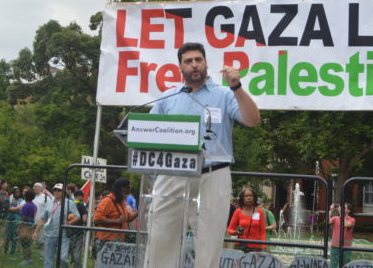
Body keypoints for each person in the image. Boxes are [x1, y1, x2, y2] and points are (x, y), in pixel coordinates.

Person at [144, 42, 260, 268]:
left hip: (213, 173)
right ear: (180, 66)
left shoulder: (225, 94)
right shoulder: (167, 97)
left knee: (209, 242)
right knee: (160, 235)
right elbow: (146, 132)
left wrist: (237, 87)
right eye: (188, 61)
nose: (194, 65)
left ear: (206, 63)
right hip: (174, 172)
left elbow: (253, 120)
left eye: (199, 60)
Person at [32, 183, 80, 268]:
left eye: (59, 190)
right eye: (55, 190)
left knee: (63, 258)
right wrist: (36, 232)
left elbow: (78, 216)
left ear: (63, 192)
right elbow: (43, 218)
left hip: (63, 234)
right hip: (49, 234)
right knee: (48, 259)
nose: (56, 192)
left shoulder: (69, 203)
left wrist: (69, 223)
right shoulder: (48, 203)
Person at [93, 178, 138, 258]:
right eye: (127, 187)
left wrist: (139, 211)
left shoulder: (121, 201)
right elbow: (97, 219)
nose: (129, 190)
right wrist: (116, 221)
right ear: (121, 188)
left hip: (118, 240)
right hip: (106, 241)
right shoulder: (107, 200)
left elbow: (127, 218)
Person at [227, 188, 266, 252]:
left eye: (250, 196)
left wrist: (264, 246)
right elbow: (229, 230)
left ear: (254, 197)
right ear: (242, 198)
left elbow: (262, 233)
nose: (248, 198)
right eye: (246, 196)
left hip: (255, 248)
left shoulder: (260, 212)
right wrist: (236, 232)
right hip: (240, 247)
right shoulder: (238, 211)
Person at [329, 203, 355, 268]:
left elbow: (346, 225)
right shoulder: (335, 218)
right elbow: (327, 222)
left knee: (345, 265)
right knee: (333, 265)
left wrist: (341, 214)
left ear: (348, 210)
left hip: (346, 247)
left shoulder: (352, 220)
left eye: (344, 208)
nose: (342, 209)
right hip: (335, 247)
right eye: (341, 207)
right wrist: (331, 211)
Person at [18, 189, 37, 266]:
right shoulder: (34, 205)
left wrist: (19, 227)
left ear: (26, 197)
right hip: (31, 226)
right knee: (28, 243)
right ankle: (28, 257)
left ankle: (27, 259)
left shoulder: (25, 206)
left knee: (25, 243)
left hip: (25, 226)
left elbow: (22, 217)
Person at [70, 189, 88, 268]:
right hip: (79, 230)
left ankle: (72, 260)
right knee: (78, 249)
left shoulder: (70, 204)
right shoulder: (81, 205)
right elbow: (84, 219)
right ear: (80, 196)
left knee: (72, 247)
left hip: (69, 229)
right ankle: (77, 265)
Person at [5, 186, 24, 255]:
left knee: (14, 237)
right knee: (6, 236)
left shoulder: (21, 200)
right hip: (9, 219)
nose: (17, 194)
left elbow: (19, 209)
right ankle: (5, 250)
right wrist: (14, 208)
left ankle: (12, 252)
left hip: (16, 220)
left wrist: (12, 208)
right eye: (16, 192)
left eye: (18, 192)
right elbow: (7, 207)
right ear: (13, 193)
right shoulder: (10, 198)